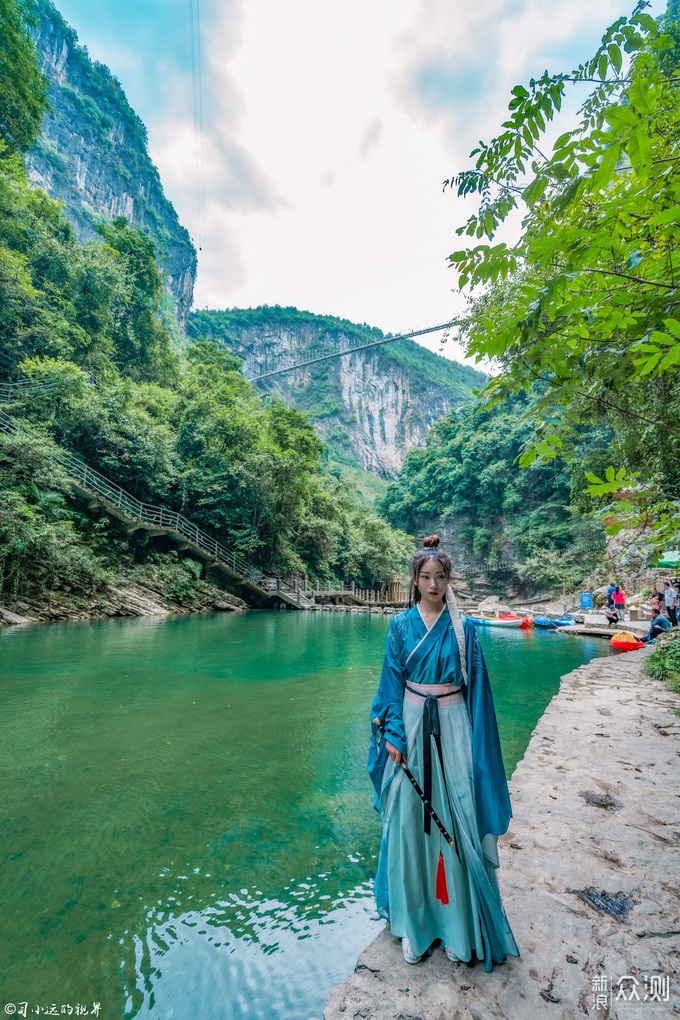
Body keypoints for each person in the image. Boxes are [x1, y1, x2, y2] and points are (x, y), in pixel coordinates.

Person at [367, 534, 519, 972]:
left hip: (453, 727)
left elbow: (478, 695)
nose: (433, 584)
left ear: (450, 580)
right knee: (409, 824)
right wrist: (393, 735)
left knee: (458, 820)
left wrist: (477, 752)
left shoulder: (464, 629)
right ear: (414, 581)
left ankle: (457, 928)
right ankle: (415, 927)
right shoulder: (399, 626)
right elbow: (390, 685)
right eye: (425, 577)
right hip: (411, 728)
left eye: (441, 577)